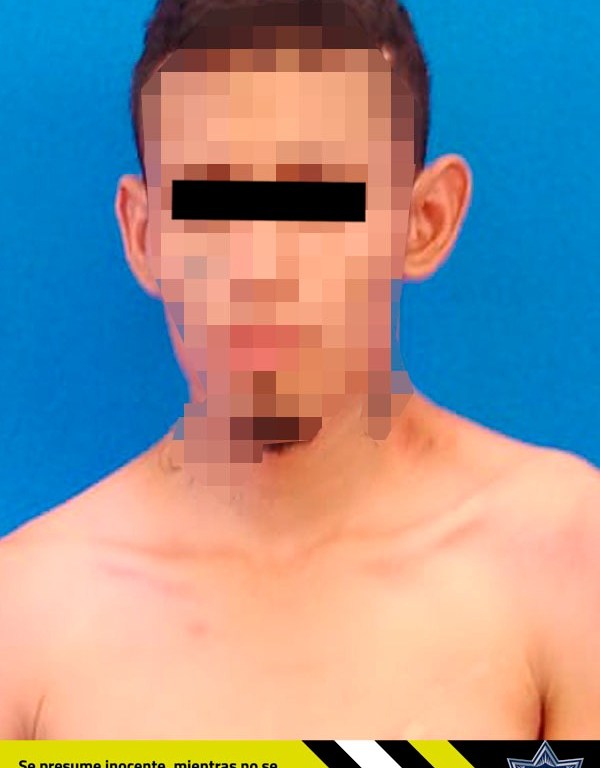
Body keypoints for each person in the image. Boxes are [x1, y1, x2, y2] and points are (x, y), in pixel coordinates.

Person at [1, 0, 598, 741]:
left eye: (319, 195)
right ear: (146, 236)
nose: (261, 265)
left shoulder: (569, 562)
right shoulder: (24, 622)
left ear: (425, 222)